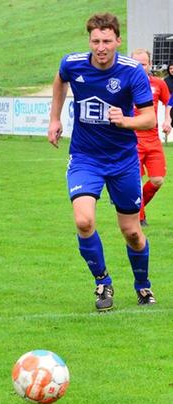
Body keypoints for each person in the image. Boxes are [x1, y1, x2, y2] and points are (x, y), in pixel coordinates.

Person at [48, 13, 156, 311]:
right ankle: (102, 281)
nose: (101, 47)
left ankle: (143, 286)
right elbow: (60, 81)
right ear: (90, 41)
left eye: (107, 41)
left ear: (117, 41)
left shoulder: (132, 71)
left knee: (132, 232)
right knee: (83, 220)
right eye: (96, 41)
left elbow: (149, 118)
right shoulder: (72, 63)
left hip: (123, 161)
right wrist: (54, 118)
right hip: (85, 157)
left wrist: (127, 120)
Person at [130, 49, 171, 227]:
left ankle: (130, 208)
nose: (140, 67)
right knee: (135, 182)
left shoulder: (158, 84)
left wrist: (168, 120)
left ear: (149, 65)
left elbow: (169, 102)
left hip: (153, 139)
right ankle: (139, 217)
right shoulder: (122, 84)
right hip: (132, 139)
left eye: (144, 64)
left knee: (157, 180)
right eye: (136, 64)